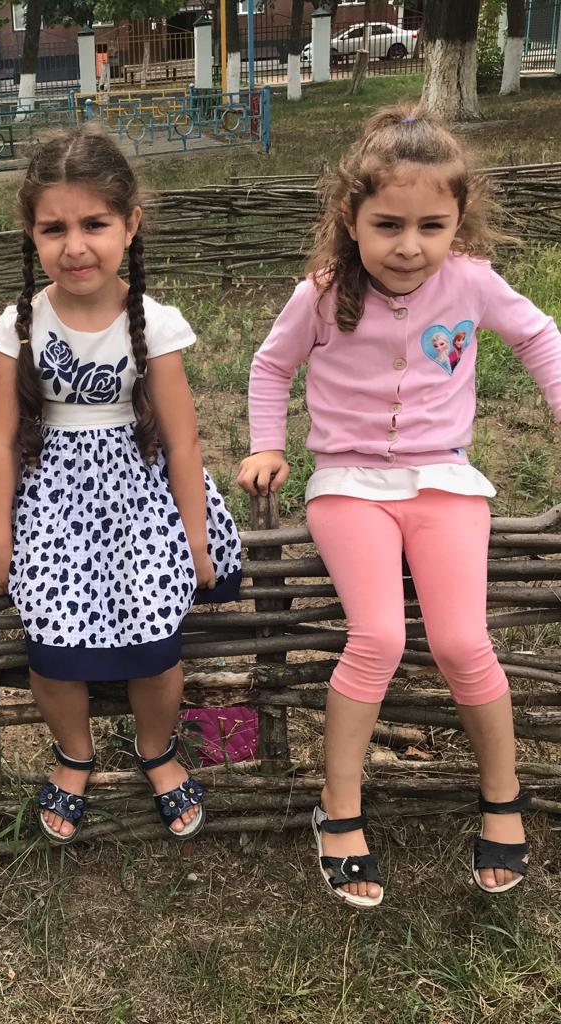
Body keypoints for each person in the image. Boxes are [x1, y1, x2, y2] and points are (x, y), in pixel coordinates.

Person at [238, 106, 561, 907]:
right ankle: (339, 806)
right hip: (348, 485)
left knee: (462, 640)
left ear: (459, 221)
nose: (409, 245)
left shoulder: (472, 282)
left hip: (445, 481)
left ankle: (503, 796)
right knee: (377, 635)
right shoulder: (320, 294)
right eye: (387, 225)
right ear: (350, 218)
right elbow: (271, 367)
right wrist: (267, 443)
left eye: (431, 226)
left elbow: (537, 336)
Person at [0, 127, 242, 846]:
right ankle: (75, 754)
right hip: (54, 499)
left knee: (157, 636)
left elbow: (183, 441)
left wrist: (193, 537)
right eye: (54, 228)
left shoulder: (154, 323)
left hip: (139, 495)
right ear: (30, 233)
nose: (75, 246)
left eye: (94, 224)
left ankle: (157, 749)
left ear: (130, 225)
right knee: (48, 641)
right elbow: (0, 441)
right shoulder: (20, 325)